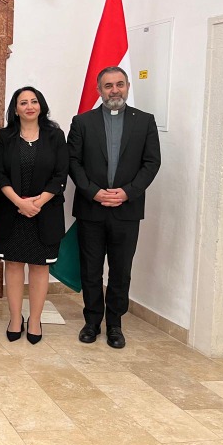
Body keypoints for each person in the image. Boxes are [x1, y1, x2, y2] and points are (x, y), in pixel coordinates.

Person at [68, 66, 161, 349]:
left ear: (128, 86)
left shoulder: (144, 121)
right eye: (108, 86)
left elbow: (151, 162)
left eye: (119, 84)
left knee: (121, 270)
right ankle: (92, 321)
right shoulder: (82, 121)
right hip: (91, 209)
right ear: (99, 90)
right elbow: (73, 162)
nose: (114, 90)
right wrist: (94, 192)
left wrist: (127, 193)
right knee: (91, 269)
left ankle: (115, 324)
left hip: (126, 210)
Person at [0, 87, 68, 345]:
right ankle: (15, 318)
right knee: (13, 265)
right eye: (23, 102)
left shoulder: (55, 136)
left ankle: (34, 320)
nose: (29, 106)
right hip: (11, 212)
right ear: (15, 109)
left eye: (34, 101)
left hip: (44, 213)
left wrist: (37, 203)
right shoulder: (4, 136)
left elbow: (60, 176)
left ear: (41, 105)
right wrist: (19, 203)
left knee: (39, 267)